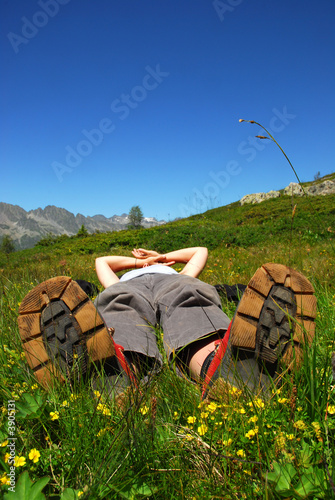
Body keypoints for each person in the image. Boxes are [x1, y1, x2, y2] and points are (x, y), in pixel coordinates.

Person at [17, 247, 317, 401]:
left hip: (174, 284)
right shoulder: (123, 280)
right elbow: (102, 262)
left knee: (190, 296)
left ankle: (223, 366)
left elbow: (201, 252)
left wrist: (162, 258)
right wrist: (139, 263)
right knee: (117, 302)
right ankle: (116, 371)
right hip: (129, 289)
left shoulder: (177, 273)